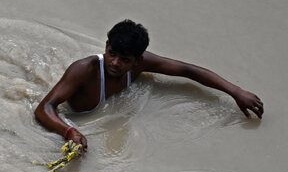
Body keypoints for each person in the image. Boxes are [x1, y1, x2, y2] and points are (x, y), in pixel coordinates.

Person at [35, 19, 264, 150]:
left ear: (138, 60)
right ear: (106, 45)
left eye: (124, 60)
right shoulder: (84, 69)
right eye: (112, 53)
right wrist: (69, 131)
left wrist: (235, 91)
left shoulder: (141, 64)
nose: (115, 63)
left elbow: (188, 70)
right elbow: (43, 108)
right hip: (72, 119)